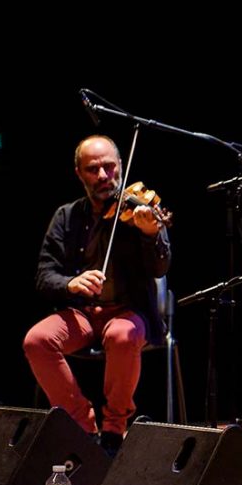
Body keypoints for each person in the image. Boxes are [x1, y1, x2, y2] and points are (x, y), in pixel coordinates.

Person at [23, 135, 171, 456]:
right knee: (37, 341)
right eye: (93, 170)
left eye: (109, 167)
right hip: (81, 313)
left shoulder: (139, 211)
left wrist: (151, 234)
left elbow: (160, 267)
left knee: (122, 336)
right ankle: (83, 427)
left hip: (127, 311)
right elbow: (44, 276)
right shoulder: (66, 216)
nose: (103, 176)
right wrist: (71, 284)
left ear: (120, 167)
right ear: (79, 173)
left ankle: (113, 431)